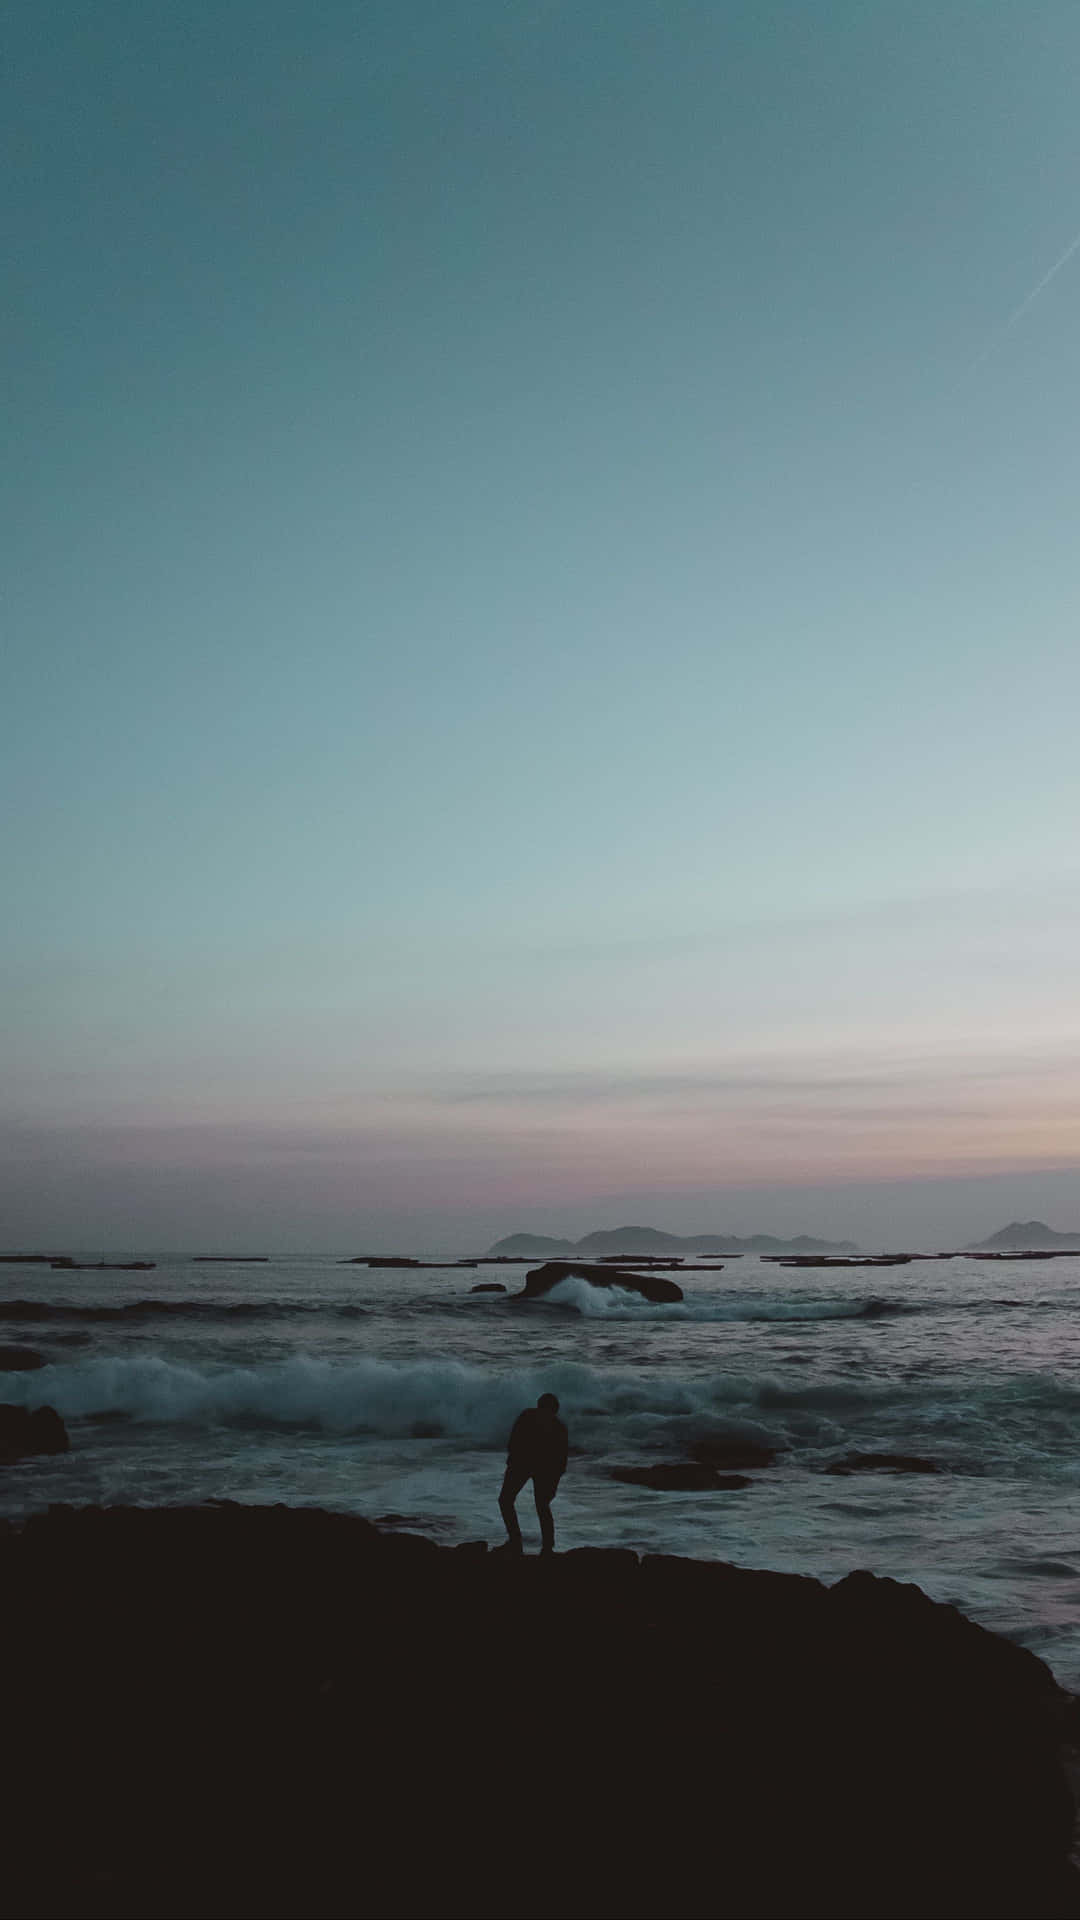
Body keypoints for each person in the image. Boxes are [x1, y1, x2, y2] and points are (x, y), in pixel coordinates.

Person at [498, 1392, 568, 1555]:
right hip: (529, 1464)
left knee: (509, 1501)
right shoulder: (555, 1426)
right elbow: (561, 1463)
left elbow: (512, 1443)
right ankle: (540, 1547)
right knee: (534, 1505)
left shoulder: (531, 1417)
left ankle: (521, 1543)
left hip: (535, 1466)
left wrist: (511, 1463)